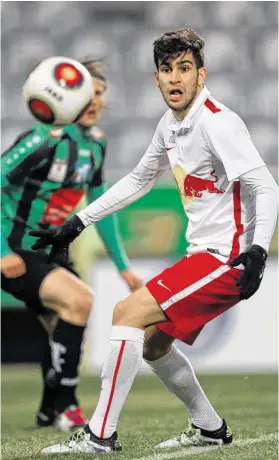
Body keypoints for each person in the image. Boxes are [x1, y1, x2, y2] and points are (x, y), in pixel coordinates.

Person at [31, 29, 277, 454]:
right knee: (154, 342)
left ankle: (99, 435)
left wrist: (257, 249)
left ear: (201, 74)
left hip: (226, 259)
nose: (175, 78)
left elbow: (264, 185)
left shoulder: (217, 121)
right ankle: (210, 428)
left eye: (184, 68)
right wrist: (77, 223)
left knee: (127, 312)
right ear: (156, 79)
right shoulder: (171, 124)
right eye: (167, 70)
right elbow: (140, 179)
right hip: (202, 255)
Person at [1, 59, 142, 432]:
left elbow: (103, 208)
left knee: (62, 327)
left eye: (100, 94)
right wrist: (2, 250)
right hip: (16, 250)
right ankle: (69, 408)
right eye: (88, 93)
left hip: (47, 252)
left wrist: (123, 265)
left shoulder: (95, 145)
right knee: (79, 301)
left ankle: (49, 412)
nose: (95, 101)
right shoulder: (41, 141)